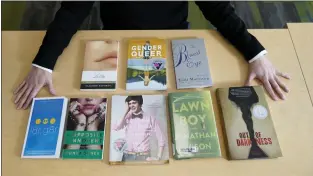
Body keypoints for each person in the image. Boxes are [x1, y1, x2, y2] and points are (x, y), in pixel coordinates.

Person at [13, 1, 290, 109]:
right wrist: (43, 63)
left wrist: (255, 53)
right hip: (117, 40)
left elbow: (219, 9)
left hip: (173, 39)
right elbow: (73, 10)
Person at [113, 95, 165, 161]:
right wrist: (126, 111)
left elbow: (161, 138)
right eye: (129, 103)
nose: (131, 105)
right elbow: (116, 127)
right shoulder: (127, 117)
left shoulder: (150, 118)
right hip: (127, 156)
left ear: (140, 103)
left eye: (134, 103)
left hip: (143, 156)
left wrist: (158, 157)